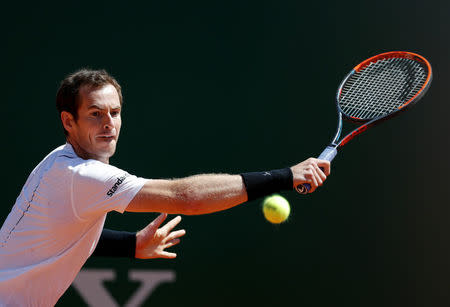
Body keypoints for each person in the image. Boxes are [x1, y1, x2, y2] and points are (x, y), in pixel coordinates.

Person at [0, 69, 330, 306]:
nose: (108, 124)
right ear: (68, 121)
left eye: (114, 113)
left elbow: (60, 235)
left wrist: (131, 245)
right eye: (95, 114)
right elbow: (185, 198)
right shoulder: (80, 176)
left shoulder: (63, 162)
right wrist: (286, 176)